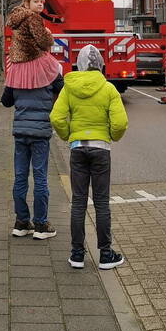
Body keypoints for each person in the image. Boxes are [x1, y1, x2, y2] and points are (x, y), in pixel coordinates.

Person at [50, 44, 128, 270]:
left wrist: (68, 136)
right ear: (101, 65)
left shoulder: (69, 88)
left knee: (78, 202)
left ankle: (77, 254)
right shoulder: (109, 89)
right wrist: (111, 136)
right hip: (101, 149)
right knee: (102, 202)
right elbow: (120, 123)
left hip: (78, 149)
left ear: (80, 65)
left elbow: (56, 117)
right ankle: (105, 254)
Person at [1, 59, 64, 240]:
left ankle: (21, 222)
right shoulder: (50, 67)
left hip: (21, 131)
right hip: (41, 132)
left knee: (20, 176)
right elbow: (64, 90)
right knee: (40, 177)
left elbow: (6, 101)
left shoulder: (16, 68)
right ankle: (41, 224)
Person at [4, 0, 60, 90]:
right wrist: (48, 33)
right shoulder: (33, 17)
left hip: (19, 61)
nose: (40, 4)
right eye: (36, 1)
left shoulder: (18, 17)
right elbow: (44, 41)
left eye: (41, 2)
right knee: (58, 80)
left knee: (22, 89)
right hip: (34, 57)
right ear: (26, 4)